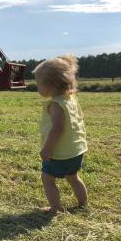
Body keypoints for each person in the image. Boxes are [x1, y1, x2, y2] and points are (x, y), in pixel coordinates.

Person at [33, 54, 88, 213]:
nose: (37, 86)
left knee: (47, 179)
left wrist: (47, 149)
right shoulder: (70, 99)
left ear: (51, 85)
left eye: (38, 83)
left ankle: (55, 208)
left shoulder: (56, 105)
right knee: (73, 178)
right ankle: (83, 204)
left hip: (59, 154)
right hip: (76, 151)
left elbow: (57, 129)